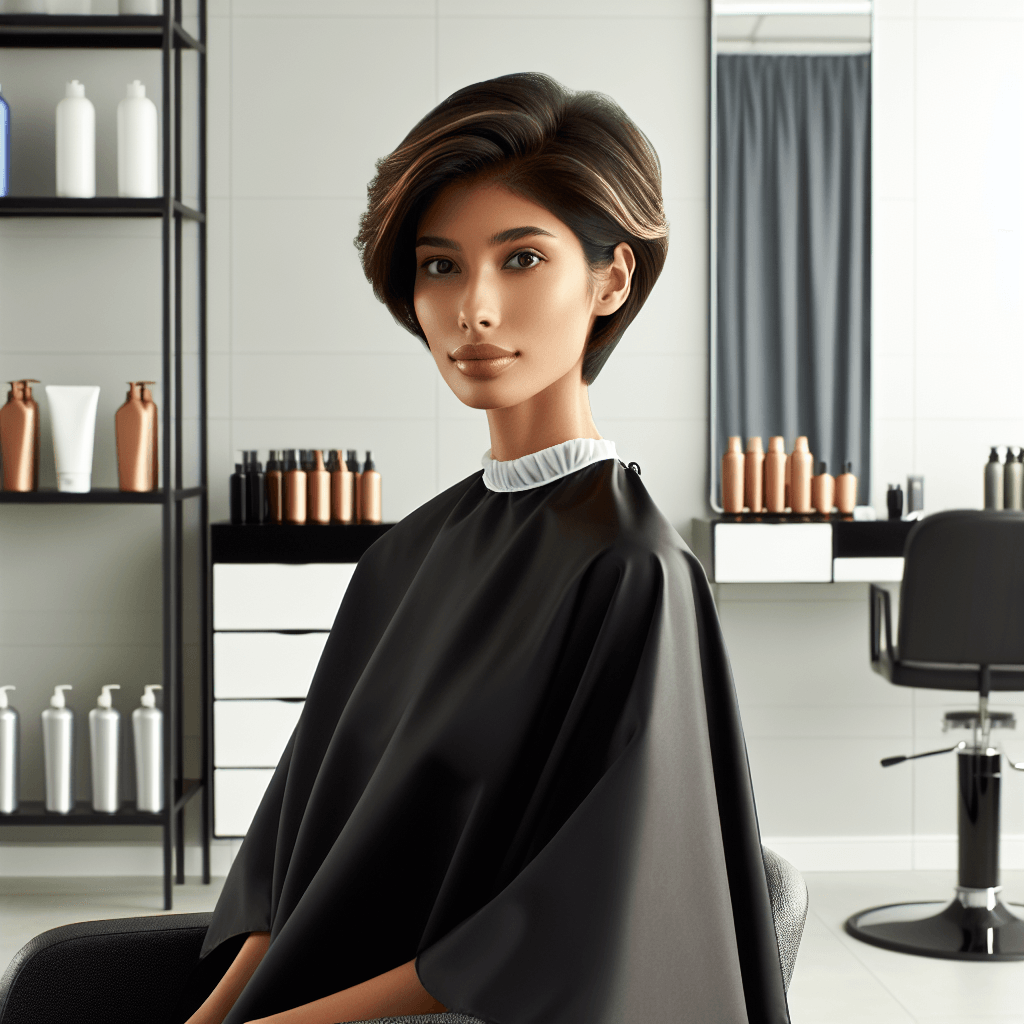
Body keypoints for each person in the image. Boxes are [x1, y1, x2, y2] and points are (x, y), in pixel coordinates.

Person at [187, 73, 791, 1024]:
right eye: (440, 266)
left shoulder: (632, 572)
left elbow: (568, 932)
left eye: (520, 260)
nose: (472, 308)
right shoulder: (402, 558)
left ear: (613, 278)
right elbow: (302, 862)